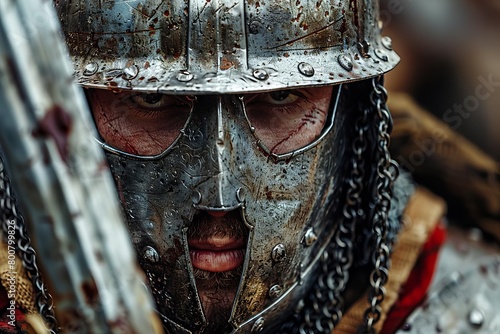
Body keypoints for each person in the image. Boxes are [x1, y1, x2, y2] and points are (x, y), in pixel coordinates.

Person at [0, 0, 450, 333]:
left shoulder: (466, 308)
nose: (220, 195)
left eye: (280, 96)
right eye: (153, 99)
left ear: (353, 114)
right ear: (70, 110)